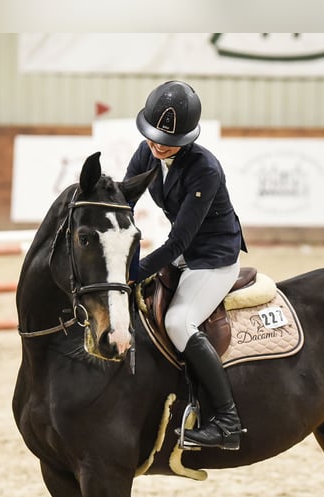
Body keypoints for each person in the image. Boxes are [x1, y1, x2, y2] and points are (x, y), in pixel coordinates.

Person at [125, 80, 247, 450]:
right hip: (183, 252)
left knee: (179, 321)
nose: (158, 144)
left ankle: (227, 422)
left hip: (213, 256)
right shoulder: (146, 152)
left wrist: (136, 271)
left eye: (168, 140)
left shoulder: (204, 169)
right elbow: (124, 202)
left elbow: (179, 240)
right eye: (153, 135)